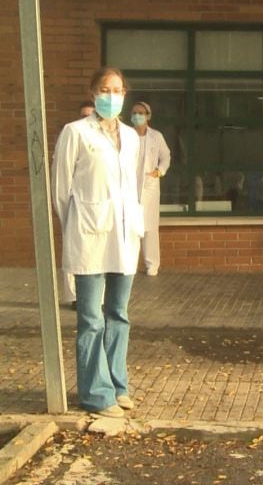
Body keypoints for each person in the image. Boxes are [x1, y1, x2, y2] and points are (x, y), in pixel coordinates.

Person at [52, 68, 144, 418]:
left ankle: (117, 385)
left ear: (125, 94)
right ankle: (95, 393)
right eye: (105, 89)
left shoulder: (131, 137)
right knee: (91, 318)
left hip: (124, 236)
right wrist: (77, 224)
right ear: (93, 93)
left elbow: (129, 187)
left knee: (118, 315)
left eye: (118, 90)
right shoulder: (75, 133)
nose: (112, 95)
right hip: (89, 236)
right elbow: (62, 191)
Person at [56, 101, 97, 310]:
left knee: (93, 257)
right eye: (83, 115)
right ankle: (73, 296)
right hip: (75, 206)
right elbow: (62, 180)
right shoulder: (71, 134)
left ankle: (94, 297)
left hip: (96, 209)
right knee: (73, 255)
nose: (86, 118)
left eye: (89, 115)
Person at [129, 102, 171, 276]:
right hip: (129, 186)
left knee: (150, 227)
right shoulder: (126, 134)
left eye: (141, 113)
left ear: (148, 115)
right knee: (130, 226)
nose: (137, 116)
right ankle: (129, 264)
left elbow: (166, 156)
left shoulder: (156, 136)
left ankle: (152, 264)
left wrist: (159, 172)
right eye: (134, 113)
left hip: (149, 186)